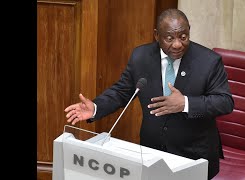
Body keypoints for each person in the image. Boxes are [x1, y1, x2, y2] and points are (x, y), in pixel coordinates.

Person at [65, 8, 234, 179]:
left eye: (183, 37)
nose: (177, 44)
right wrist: (95, 107)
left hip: (194, 155)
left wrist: (186, 103)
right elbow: (122, 91)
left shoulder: (209, 61)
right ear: (156, 35)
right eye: (170, 38)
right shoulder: (141, 57)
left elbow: (225, 102)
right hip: (151, 152)